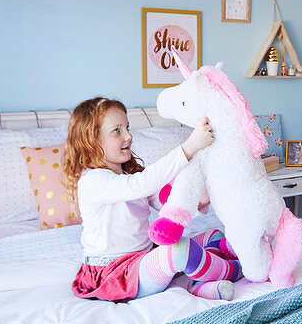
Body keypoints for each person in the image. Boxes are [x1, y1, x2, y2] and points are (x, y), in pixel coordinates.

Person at [63, 97, 241, 302]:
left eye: (127, 128)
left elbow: (170, 205)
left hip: (143, 258)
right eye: (117, 131)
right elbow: (143, 184)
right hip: (116, 274)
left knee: (213, 236)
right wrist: (189, 147)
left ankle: (196, 285)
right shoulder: (92, 181)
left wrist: (200, 197)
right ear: (90, 139)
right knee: (181, 250)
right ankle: (237, 270)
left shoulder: (129, 178)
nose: (129, 136)